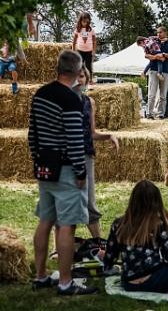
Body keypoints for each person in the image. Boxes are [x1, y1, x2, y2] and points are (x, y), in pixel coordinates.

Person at [29, 50, 94, 295]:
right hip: (67, 169)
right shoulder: (71, 100)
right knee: (67, 225)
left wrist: (38, 159)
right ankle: (66, 282)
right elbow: (75, 139)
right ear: (79, 72)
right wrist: (80, 171)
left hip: (45, 166)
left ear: (57, 68)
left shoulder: (40, 94)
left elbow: (32, 134)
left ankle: (41, 275)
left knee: (45, 221)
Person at [101, 180, 168, 293]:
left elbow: (109, 257)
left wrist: (109, 266)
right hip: (155, 279)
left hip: (129, 283)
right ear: (157, 201)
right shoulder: (158, 223)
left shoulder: (119, 223)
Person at [73, 66, 119, 238]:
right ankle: (58, 248)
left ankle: (98, 242)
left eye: (82, 76)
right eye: (75, 76)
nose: (79, 79)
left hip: (86, 156)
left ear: (86, 79)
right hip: (65, 157)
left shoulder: (89, 102)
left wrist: (109, 135)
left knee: (89, 201)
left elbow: (92, 133)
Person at [145, 26, 168, 119]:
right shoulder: (153, 42)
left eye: (160, 32)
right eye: (157, 32)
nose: (158, 34)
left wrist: (163, 54)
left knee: (163, 95)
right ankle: (149, 114)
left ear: (165, 33)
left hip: (165, 72)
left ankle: (161, 114)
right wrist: (156, 57)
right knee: (152, 95)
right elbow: (146, 55)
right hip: (154, 70)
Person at [72, 12, 96, 81]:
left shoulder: (91, 30)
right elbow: (74, 41)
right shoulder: (77, 30)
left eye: (86, 21)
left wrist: (93, 51)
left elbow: (94, 41)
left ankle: (90, 79)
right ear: (80, 21)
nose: (85, 23)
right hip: (80, 50)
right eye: (83, 21)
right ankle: (78, 79)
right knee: (79, 65)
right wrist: (73, 51)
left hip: (89, 51)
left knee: (88, 66)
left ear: (89, 21)